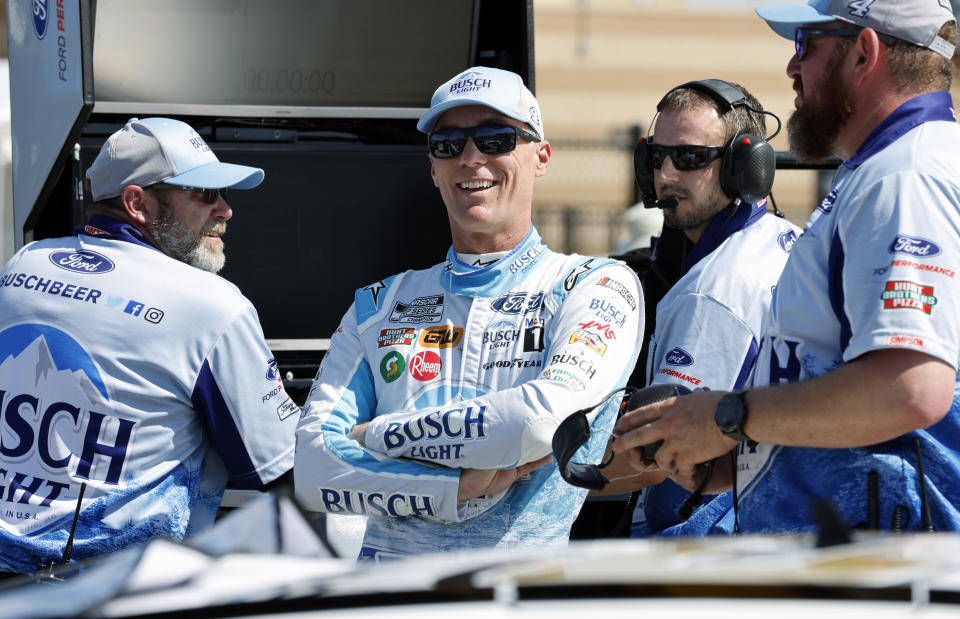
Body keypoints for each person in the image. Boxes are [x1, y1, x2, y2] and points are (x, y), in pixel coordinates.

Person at [613, 0, 960, 534]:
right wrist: (733, 459)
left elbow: (909, 390)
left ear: (864, 54)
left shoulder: (904, 178)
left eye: (807, 45)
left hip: (883, 569)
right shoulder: (885, 171)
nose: (791, 67)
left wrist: (729, 417)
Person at [294, 66, 644, 560]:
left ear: (540, 157)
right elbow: (312, 470)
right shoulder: (377, 304)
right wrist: (456, 486)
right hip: (383, 599)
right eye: (449, 144)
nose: (471, 158)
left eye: (496, 139)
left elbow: (540, 423)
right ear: (433, 168)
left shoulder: (596, 284)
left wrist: (371, 436)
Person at [0, 118, 298, 573]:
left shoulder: (25, 262)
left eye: (225, 195)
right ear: (137, 202)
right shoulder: (211, 304)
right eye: (204, 194)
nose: (225, 210)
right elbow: (281, 467)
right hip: (106, 592)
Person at [595, 80, 800, 537]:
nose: (665, 176)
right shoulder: (785, 241)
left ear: (744, 167)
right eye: (656, 157)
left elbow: (660, 456)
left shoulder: (712, 293)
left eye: (688, 158)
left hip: (697, 551)